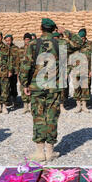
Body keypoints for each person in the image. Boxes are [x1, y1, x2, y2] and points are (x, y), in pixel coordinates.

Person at [19, 18, 83, 162]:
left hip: (37, 85)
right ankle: (50, 151)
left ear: (41, 28)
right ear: (54, 29)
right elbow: (79, 42)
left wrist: (24, 84)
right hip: (54, 85)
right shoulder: (60, 43)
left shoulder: (33, 44)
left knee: (38, 116)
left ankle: (39, 152)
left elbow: (26, 65)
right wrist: (64, 31)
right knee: (52, 116)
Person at [71, 28, 92, 113]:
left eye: (83, 38)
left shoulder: (90, 44)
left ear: (85, 37)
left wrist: (91, 70)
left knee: (85, 87)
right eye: (80, 38)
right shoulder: (74, 45)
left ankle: (84, 105)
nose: (82, 40)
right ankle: (78, 105)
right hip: (76, 70)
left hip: (86, 70)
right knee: (77, 87)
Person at [18, 33, 33, 113]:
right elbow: (17, 62)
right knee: (23, 87)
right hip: (22, 72)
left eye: (28, 39)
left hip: (31, 72)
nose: (27, 41)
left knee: (31, 87)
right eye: (26, 39)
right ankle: (25, 105)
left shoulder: (33, 49)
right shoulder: (20, 50)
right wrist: (17, 72)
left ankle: (30, 104)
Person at [4, 34, 19, 109]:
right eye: (6, 41)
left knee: (13, 85)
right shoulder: (4, 48)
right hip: (5, 71)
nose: (8, 42)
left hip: (13, 70)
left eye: (9, 40)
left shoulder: (16, 48)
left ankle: (14, 99)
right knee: (6, 86)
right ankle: (7, 100)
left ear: (12, 40)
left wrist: (16, 70)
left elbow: (17, 60)